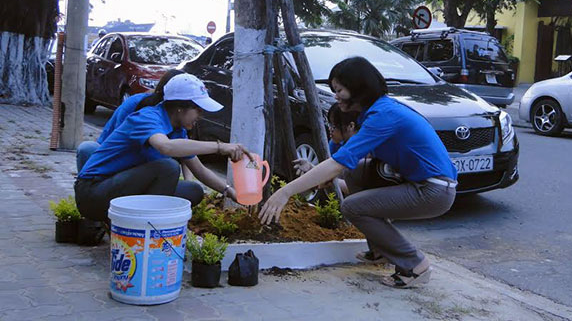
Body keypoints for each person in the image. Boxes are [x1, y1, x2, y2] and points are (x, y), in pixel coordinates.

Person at [260, 57, 457, 288]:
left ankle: (414, 265)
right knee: (356, 172)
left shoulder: (383, 116)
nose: (336, 96)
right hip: (424, 184)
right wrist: (325, 175)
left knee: (352, 207)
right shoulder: (377, 112)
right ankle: (381, 250)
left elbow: (337, 163)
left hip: (432, 190)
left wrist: (285, 192)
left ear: (359, 88)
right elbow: (347, 162)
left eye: (340, 90)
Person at [75, 73, 251, 221]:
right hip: (94, 193)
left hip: (123, 190)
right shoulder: (147, 117)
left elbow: (199, 170)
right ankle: (149, 229)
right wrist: (220, 147)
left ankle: (147, 224)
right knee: (167, 167)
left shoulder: (177, 130)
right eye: (198, 109)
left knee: (192, 190)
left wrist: (232, 193)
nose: (201, 116)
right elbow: (165, 147)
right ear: (180, 107)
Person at [76, 70, 193, 178]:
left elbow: (187, 156)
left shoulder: (179, 123)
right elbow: (118, 143)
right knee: (87, 148)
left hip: (147, 169)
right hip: (119, 162)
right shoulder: (141, 110)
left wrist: (189, 182)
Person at [292, 103, 360, 195]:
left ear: (350, 126)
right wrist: (311, 168)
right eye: (329, 125)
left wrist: (329, 179)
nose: (330, 130)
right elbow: (327, 173)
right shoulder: (335, 143)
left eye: (334, 126)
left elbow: (357, 190)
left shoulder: (363, 149)